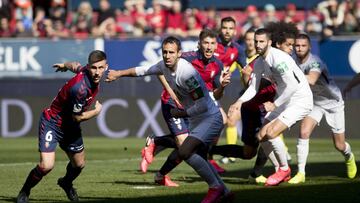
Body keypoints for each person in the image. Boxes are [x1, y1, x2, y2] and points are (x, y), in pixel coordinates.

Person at [106, 36, 230, 203]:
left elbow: (202, 106)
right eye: (164, 52)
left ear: (179, 54)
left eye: (171, 52)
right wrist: (119, 74)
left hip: (209, 117)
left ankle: (216, 187)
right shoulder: (163, 66)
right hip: (197, 118)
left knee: (185, 151)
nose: (167, 55)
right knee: (197, 154)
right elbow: (142, 71)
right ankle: (225, 192)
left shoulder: (187, 73)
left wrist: (180, 114)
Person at [16, 50, 107, 203]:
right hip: (53, 123)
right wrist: (96, 112)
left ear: (105, 67)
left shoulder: (86, 71)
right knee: (46, 166)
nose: (97, 72)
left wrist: (65, 65)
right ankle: (24, 191)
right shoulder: (80, 89)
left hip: (70, 127)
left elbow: (75, 66)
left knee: (79, 165)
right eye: (94, 68)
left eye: (100, 68)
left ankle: (66, 183)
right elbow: (77, 117)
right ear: (89, 67)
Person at [140, 29, 231, 178]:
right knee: (185, 144)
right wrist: (171, 91)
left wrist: (222, 86)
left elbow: (216, 95)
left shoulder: (217, 65)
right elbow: (159, 69)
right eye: (205, 43)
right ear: (199, 44)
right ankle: (162, 170)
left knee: (191, 142)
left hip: (197, 104)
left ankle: (157, 149)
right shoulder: (187, 58)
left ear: (216, 46)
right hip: (176, 102)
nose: (209, 47)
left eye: (212, 43)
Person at [228, 28, 313, 186]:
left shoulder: (278, 59)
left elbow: (292, 86)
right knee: (261, 136)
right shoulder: (260, 61)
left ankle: (283, 169)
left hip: (300, 100)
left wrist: (275, 104)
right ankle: (281, 170)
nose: (258, 45)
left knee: (272, 132)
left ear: (268, 42)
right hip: (285, 100)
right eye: (256, 41)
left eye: (261, 41)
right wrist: (238, 102)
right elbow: (253, 87)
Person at [288, 33, 357, 184]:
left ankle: (349, 157)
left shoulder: (315, 62)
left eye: (303, 45)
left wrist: (288, 75)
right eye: (297, 46)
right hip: (314, 103)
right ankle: (301, 173)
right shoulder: (292, 61)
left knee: (339, 145)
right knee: (304, 132)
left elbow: (311, 79)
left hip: (333, 103)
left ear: (309, 47)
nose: (299, 48)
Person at [213, 16, 247, 166]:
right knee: (221, 121)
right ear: (220, 29)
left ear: (235, 30)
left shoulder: (237, 50)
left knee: (222, 121)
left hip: (215, 91)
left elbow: (246, 70)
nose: (227, 31)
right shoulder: (211, 43)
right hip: (201, 89)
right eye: (225, 27)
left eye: (230, 28)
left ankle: (209, 157)